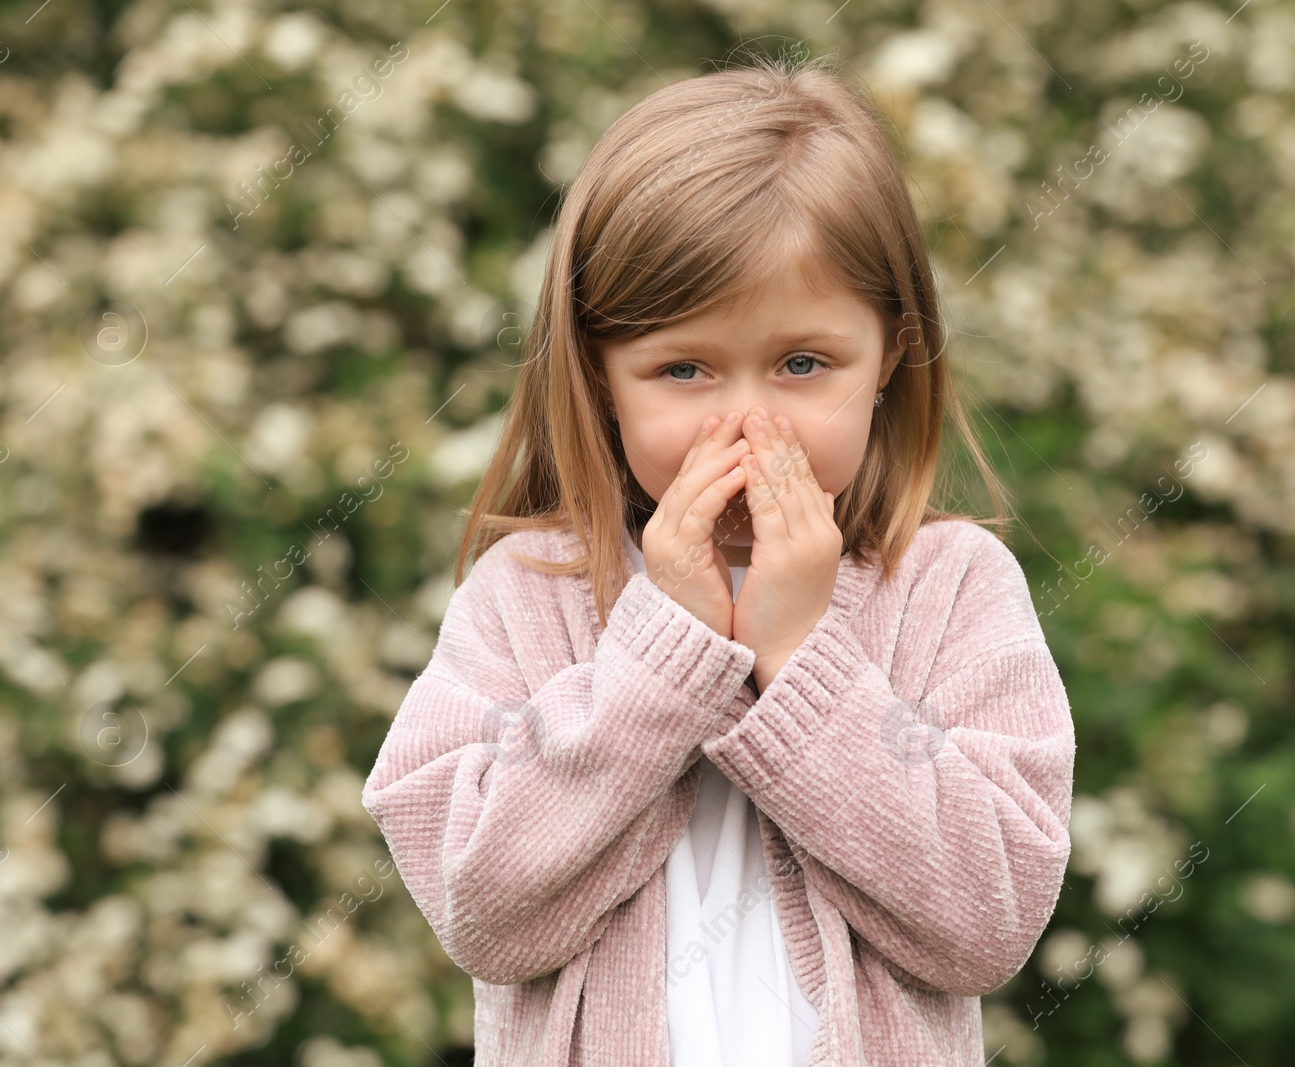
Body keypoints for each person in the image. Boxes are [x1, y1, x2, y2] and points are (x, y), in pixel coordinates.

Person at [361, 49, 1076, 1067]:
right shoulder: (524, 596)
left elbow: (986, 920)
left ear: (887, 361)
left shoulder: (953, 587)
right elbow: (481, 906)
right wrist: (663, 655)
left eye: (801, 363)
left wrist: (803, 659)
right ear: (601, 379)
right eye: (684, 368)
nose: (746, 422)